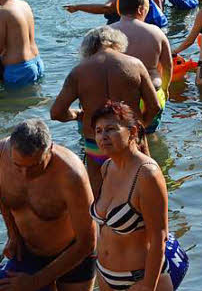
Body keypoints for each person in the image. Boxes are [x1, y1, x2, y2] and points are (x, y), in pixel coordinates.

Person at [50, 27, 160, 195]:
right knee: (144, 189)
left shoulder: (79, 71)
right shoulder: (135, 64)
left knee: (100, 194)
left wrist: (77, 115)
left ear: (89, 47)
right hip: (131, 139)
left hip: (97, 143)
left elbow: (56, 113)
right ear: (117, 42)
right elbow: (154, 106)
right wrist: (139, 127)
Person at [0, 120, 96, 291]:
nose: (25, 175)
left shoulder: (72, 175)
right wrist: (13, 234)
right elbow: (4, 197)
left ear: (50, 149)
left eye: (34, 166)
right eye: (17, 166)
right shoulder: (0, 155)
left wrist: (35, 282)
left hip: (72, 254)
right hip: (28, 250)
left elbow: (87, 242)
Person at [88, 100, 174, 291]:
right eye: (99, 131)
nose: (103, 136)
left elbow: (160, 238)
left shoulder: (147, 174)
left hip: (141, 279)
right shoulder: (107, 167)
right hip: (106, 275)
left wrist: (147, 290)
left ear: (133, 131)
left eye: (111, 129)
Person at [110, 0, 171, 132]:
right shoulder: (156, 32)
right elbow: (167, 66)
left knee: (125, 139)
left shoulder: (107, 33)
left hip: (120, 100)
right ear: (140, 9)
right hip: (151, 97)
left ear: (119, 10)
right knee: (148, 136)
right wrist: (166, 89)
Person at [0, 0, 44, 88]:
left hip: (18, 70)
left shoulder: (3, 12)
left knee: (12, 105)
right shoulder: (24, 4)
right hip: (37, 62)